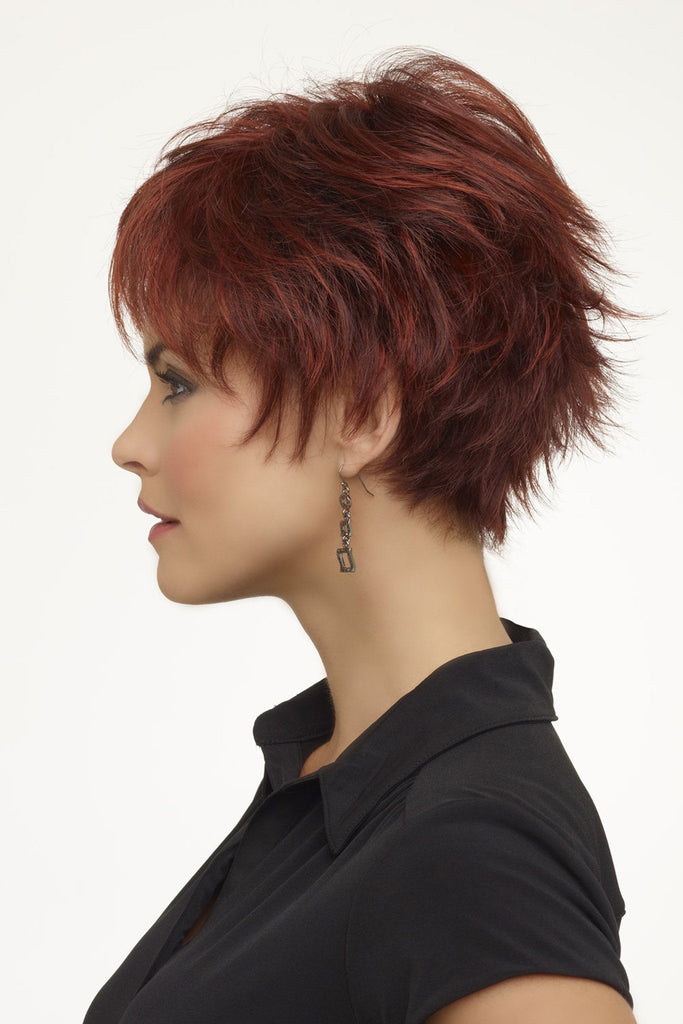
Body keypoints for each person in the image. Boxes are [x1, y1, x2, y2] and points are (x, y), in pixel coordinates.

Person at [84, 46, 643, 1024]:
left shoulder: (471, 845)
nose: (128, 444)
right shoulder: (336, 786)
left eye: (177, 382)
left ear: (360, 414)